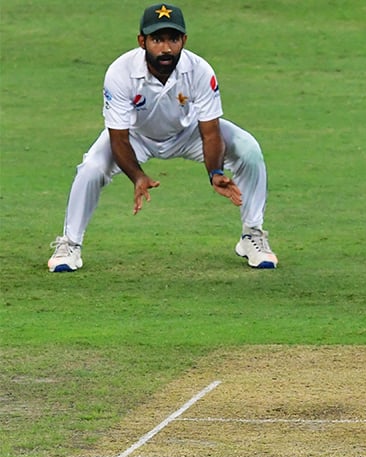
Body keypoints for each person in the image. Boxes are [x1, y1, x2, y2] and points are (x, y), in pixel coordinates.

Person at [47, 3, 277, 272]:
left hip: (188, 132)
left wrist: (215, 171)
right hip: (136, 136)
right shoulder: (120, 73)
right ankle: (70, 244)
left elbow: (210, 131)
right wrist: (138, 176)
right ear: (142, 41)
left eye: (173, 39)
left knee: (249, 150)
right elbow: (118, 138)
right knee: (91, 169)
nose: (166, 49)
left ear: (184, 40)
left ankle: (252, 234)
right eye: (157, 40)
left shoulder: (200, 71)